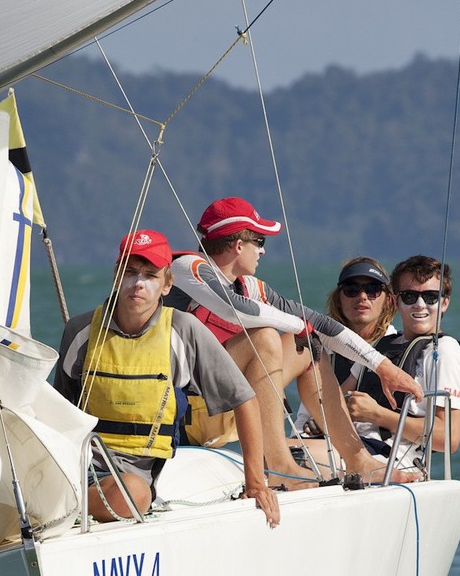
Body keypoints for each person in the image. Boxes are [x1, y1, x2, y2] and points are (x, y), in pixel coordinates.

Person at [170, 197, 422, 487]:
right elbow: (233, 309)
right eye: (259, 240)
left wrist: (383, 366)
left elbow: (323, 325)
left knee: (307, 345)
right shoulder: (186, 268)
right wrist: (299, 325)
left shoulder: (252, 287)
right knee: (265, 338)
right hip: (184, 411)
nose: (262, 250)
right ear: (238, 244)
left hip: (221, 407)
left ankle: (360, 462)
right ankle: (279, 466)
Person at [54, 229, 280, 527]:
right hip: (79, 464)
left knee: (133, 494)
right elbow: (59, 409)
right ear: (116, 275)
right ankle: (56, 501)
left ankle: (63, 507)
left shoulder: (183, 331)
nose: (138, 283)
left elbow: (244, 399)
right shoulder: (80, 330)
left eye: (150, 275)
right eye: (130, 271)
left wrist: (255, 484)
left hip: (134, 476)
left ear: (167, 284)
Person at [343, 255, 460, 468]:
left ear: (445, 302)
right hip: (349, 444)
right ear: (395, 300)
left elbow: (447, 439)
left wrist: (376, 414)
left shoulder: (445, 351)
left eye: (431, 297)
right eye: (410, 296)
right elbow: (339, 397)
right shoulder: (381, 347)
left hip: (392, 458)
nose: (420, 305)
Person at [294, 256, 396, 435]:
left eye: (373, 290)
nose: (362, 297)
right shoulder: (320, 349)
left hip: (381, 452)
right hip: (323, 449)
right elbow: (305, 420)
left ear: (388, 299)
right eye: (351, 289)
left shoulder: (400, 349)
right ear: (338, 300)